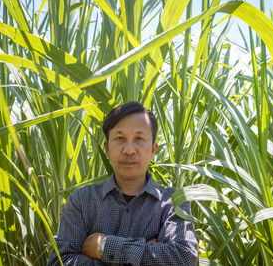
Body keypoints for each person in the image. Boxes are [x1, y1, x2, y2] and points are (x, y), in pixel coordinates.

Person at [47, 102, 198, 265]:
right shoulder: (82, 201)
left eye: (139, 138)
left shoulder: (173, 202)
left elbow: (185, 258)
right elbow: (59, 261)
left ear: (153, 149)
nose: (129, 150)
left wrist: (103, 247)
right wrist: (148, 252)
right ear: (107, 148)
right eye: (120, 138)